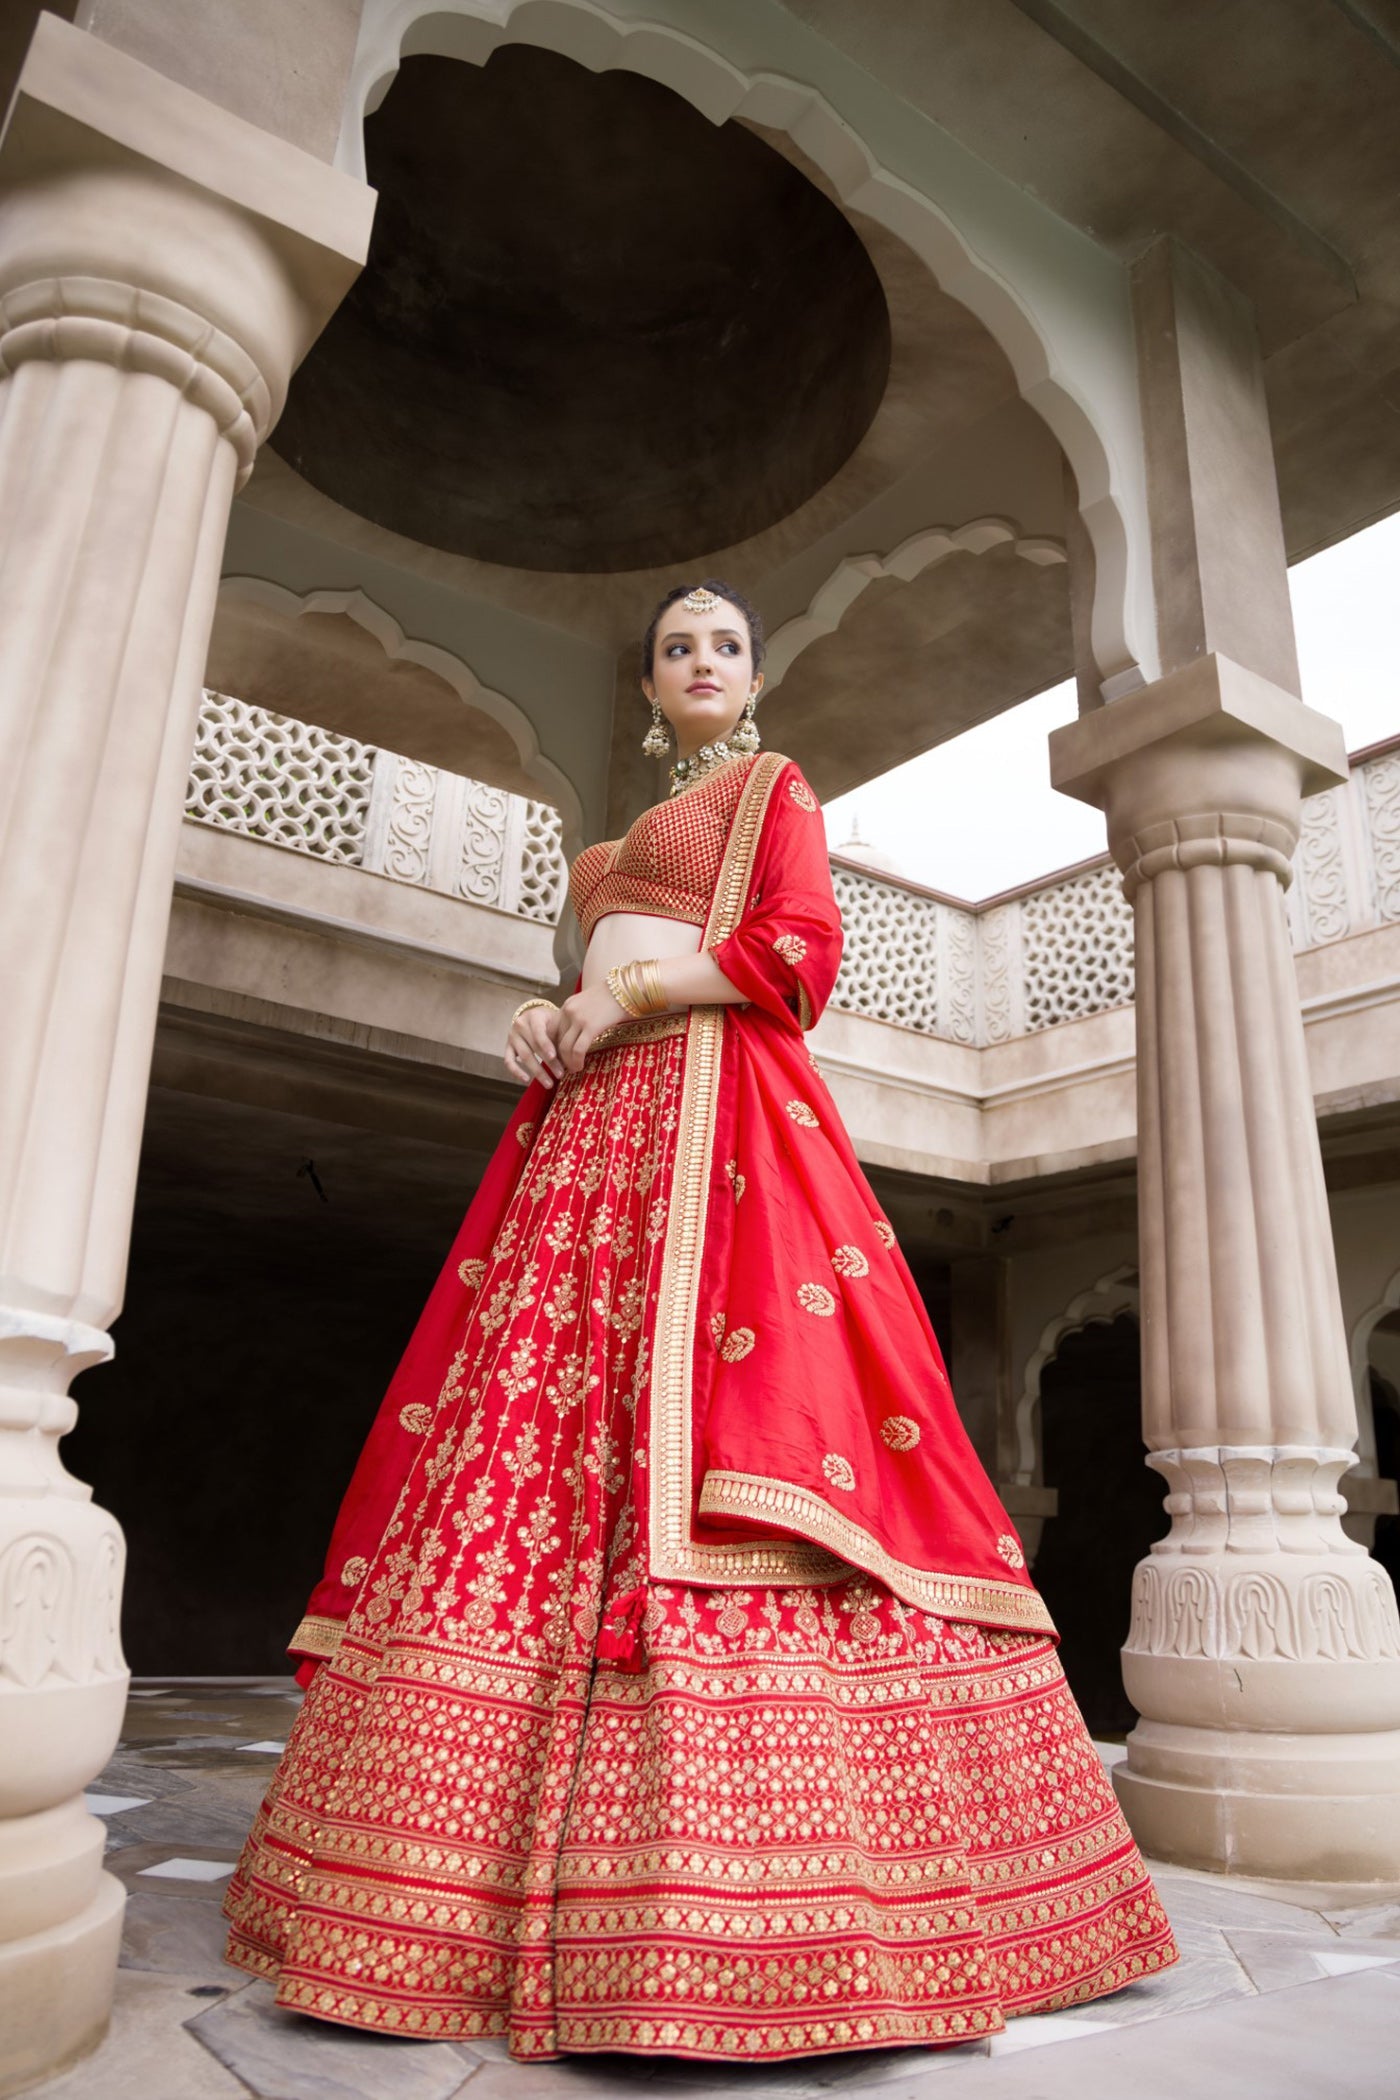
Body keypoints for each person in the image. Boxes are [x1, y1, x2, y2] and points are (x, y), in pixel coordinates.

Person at [224, 580, 1177, 2062]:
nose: (703, 662)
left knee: (740, 1435)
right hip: (586, 1140)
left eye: (725, 643)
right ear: (651, 687)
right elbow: (587, 979)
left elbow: (799, 955)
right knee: (528, 1450)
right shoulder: (607, 850)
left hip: (714, 1123)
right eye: (678, 648)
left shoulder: (770, 790)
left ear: (751, 676)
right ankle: (423, 1900)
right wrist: (554, 1016)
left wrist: (633, 996)